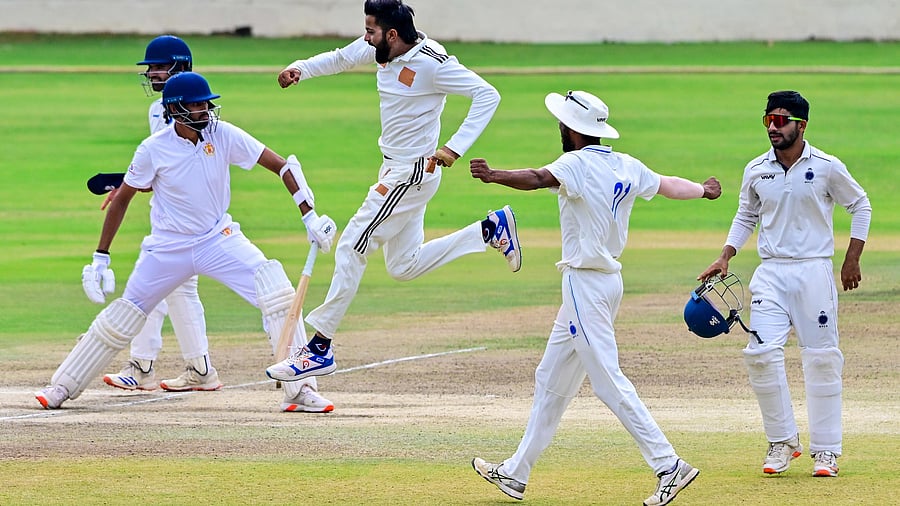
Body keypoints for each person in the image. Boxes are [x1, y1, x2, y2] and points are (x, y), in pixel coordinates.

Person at [467, 90, 721, 506]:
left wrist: (494, 176)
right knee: (550, 378)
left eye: (561, 124)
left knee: (606, 380)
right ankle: (516, 472)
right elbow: (668, 185)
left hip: (585, 283)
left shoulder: (575, 163)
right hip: (603, 283)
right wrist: (704, 191)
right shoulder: (625, 163)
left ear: (571, 129)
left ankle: (668, 464)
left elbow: (535, 177)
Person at [35, 72, 337, 413]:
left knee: (276, 292)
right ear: (175, 109)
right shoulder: (153, 149)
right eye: (196, 104)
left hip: (218, 239)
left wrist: (309, 215)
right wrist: (100, 256)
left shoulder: (222, 134)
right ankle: (62, 387)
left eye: (206, 103)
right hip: (167, 248)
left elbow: (282, 166)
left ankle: (300, 390)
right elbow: (122, 199)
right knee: (125, 315)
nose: (205, 110)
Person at [265, 0, 519, 383]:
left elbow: (488, 95)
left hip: (411, 173)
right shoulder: (378, 49)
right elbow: (339, 58)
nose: (366, 38)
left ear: (393, 34)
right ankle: (488, 230)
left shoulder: (433, 63)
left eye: (371, 31)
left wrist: (454, 147)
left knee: (352, 246)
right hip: (393, 167)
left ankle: (319, 348)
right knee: (403, 266)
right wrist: (300, 68)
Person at [697, 90, 871, 478]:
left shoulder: (826, 166)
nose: (773, 128)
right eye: (768, 121)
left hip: (813, 271)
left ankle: (826, 451)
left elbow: (861, 205)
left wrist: (852, 257)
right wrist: (726, 254)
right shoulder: (757, 168)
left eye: (780, 121)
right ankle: (782, 441)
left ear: (801, 125)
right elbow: (746, 215)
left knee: (822, 358)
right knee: (759, 354)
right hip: (771, 272)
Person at [91, 34, 225, 395]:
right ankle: (196, 368)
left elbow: (167, 171)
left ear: (179, 66)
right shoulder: (156, 111)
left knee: (154, 287)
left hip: (188, 219)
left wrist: (127, 186)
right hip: (168, 216)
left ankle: (147, 365)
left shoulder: (199, 108)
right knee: (171, 289)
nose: (151, 72)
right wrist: (126, 183)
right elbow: (157, 164)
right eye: (150, 67)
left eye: (158, 66)